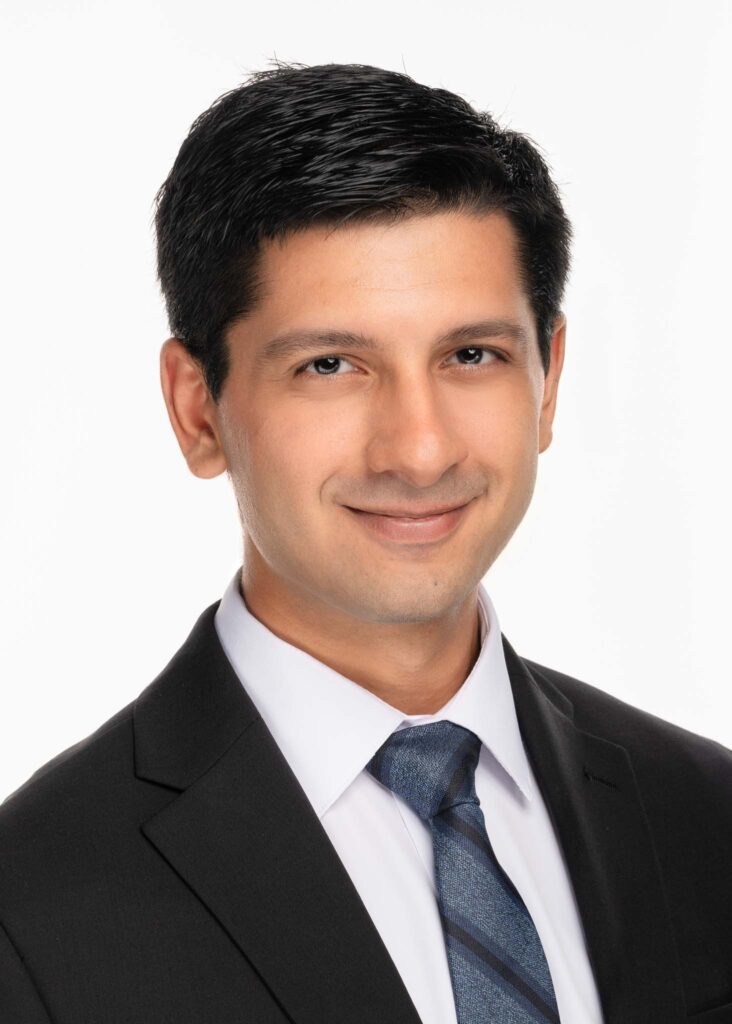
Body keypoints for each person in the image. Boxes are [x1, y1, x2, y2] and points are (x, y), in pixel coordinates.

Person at [1, 61, 730, 1024]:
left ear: (547, 378)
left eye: (472, 355)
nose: (419, 451)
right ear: (198, 410)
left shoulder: (705, 817)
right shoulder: (34, 906)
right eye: (331, 365)